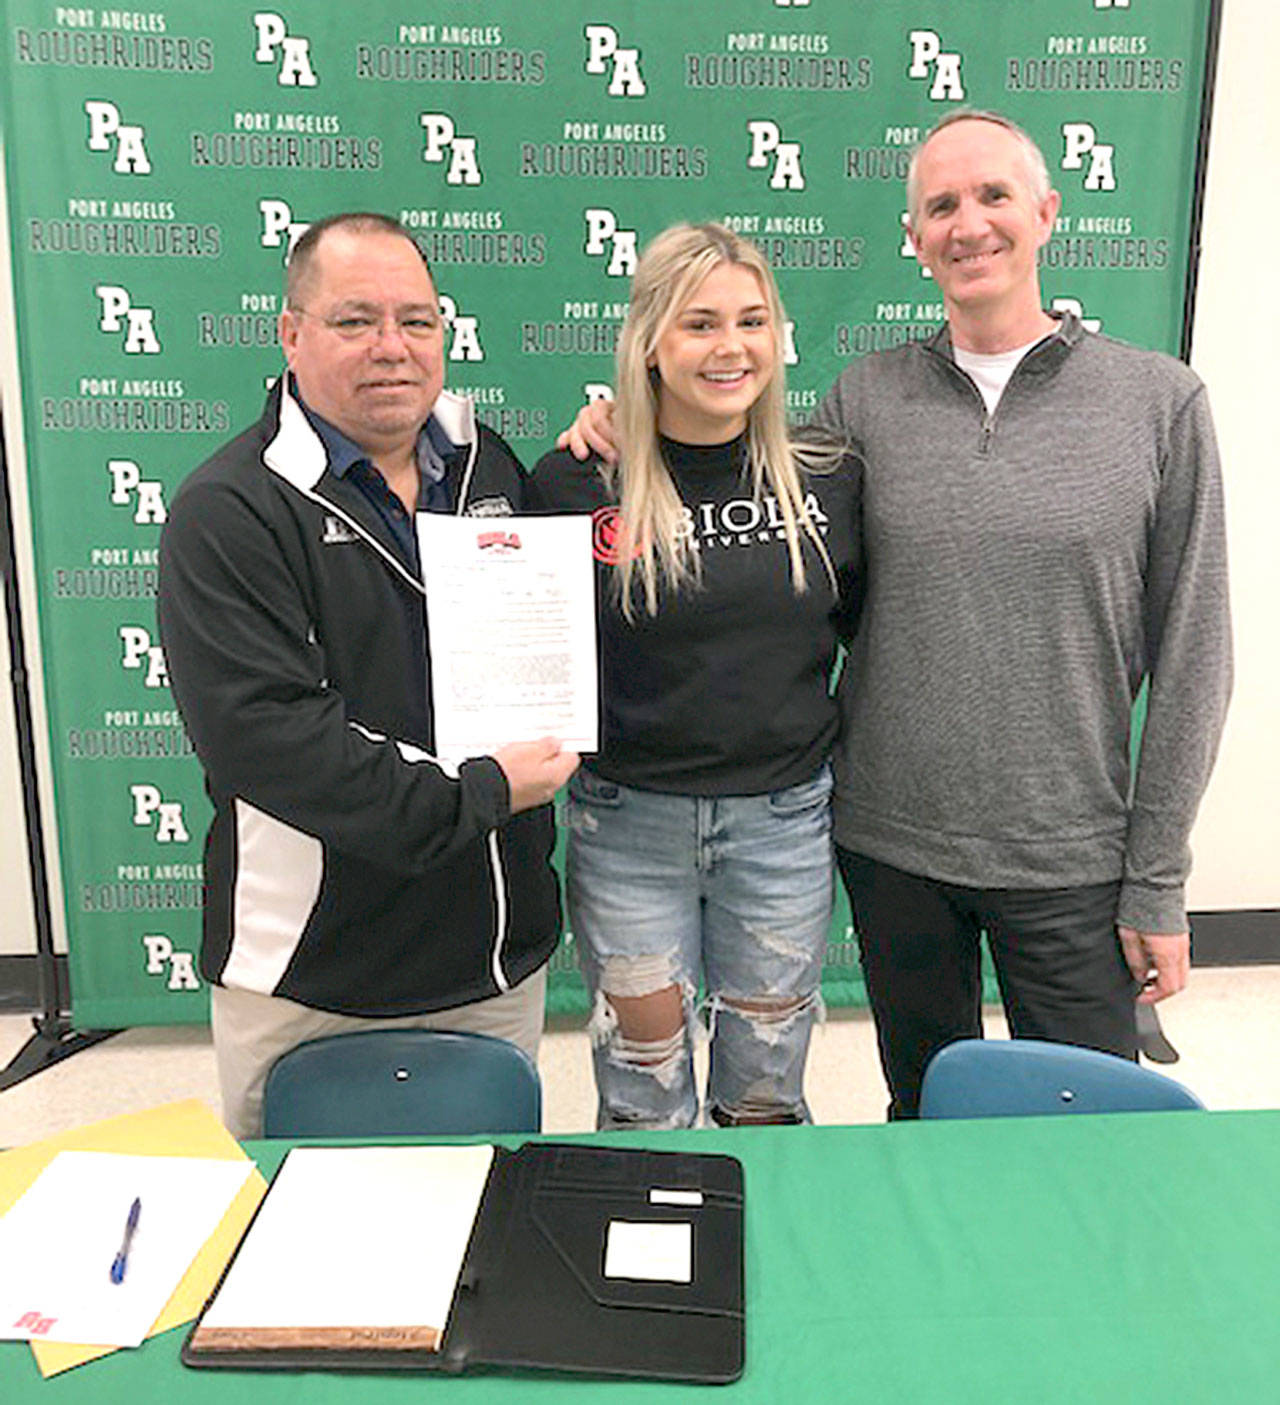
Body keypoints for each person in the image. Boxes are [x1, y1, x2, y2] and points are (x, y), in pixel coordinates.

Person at [561, 113, 1231, 1119]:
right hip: (890, 849)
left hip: (1067, 854)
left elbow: (1195, 658)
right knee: (920, 1119)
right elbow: (755, 526)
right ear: (911, 239)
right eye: (940, 206)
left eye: (993, 197)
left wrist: (1156, 879)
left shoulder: (1158, 402)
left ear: (1045, 213)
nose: (969, 225)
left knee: (1086, 1132)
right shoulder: (860, 407)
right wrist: (619, 421)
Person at [158, 212, 578, 1137]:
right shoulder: (228, 510)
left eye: (417, 321)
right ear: (292, 334)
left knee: (481, 1242)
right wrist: (484, 793)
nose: (393, 347)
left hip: (493, 964)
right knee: (295, 1252)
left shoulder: (488, 469)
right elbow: (273, 743)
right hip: (312, 983)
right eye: (356, 321)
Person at [529, 223, 859, 1129]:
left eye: (752, 321)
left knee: (762, 1092)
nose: (730, 347)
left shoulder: (828, 475)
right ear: (651, 343)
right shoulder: (577, 482)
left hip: (783, 827)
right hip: (629, 823)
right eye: (699, 323)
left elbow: (865, 634)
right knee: (642, 1089)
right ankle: (646, 1264)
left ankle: (755, 1256)